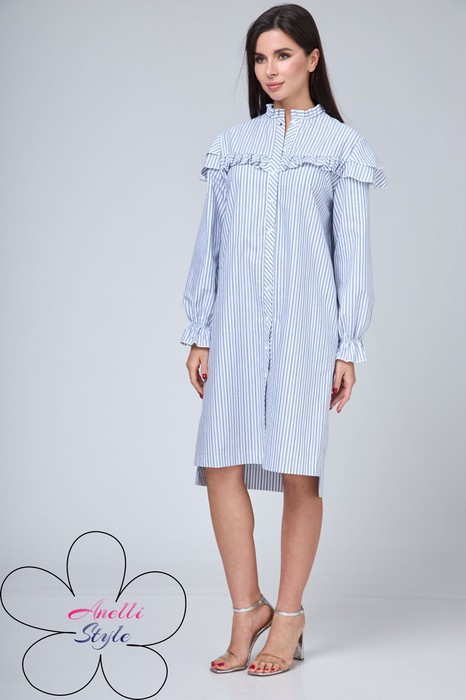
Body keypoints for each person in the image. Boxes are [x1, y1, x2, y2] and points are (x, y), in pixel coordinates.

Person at [180, 3, 387, 678]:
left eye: (283, 55)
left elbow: (351, 255)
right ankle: (249, 609)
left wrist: (348, 347)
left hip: (308, 329)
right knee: (221, 464)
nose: (270, 70)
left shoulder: (342, 148)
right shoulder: (232, 146)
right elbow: (209, 246)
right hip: (235, 325)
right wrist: (200, 332)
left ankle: (289, 616)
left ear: (312, 59)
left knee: (301, 471)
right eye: (260, 58)